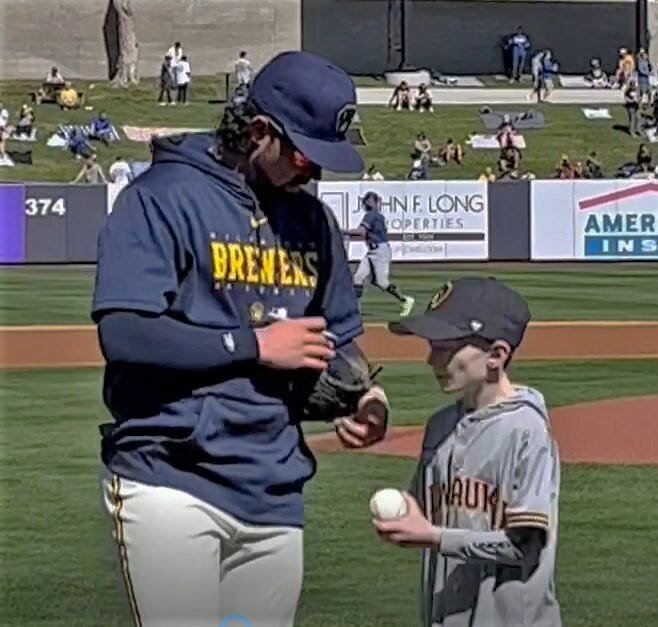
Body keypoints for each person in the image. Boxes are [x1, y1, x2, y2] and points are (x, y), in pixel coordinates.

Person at [92, 50, 390, 627]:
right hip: (171, 476)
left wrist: (366, 397)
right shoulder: (163, 198)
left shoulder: (312, 222)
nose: (315, 173)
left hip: (274, 487)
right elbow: (124, 332)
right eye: (305, 155)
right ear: (258, 132)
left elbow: (342, 339)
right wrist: (254, 346)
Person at [374, 276, 563, 627]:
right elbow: (424, 510)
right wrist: (403, 515)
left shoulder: (526, 429)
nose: (432, 359)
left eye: (446, 347)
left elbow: (526, 545)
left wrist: (436, 538)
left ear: (496, 355)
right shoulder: (440, 426)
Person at [343, 190, 415, 317]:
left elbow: (361, 232)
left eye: (369, 200)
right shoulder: (375, 215)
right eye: (366, 200)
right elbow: (364, 233)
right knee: (358, 278)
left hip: (379, 251)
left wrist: (344, 231)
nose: (367, 203)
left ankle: (405, 300)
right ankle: (356, 310)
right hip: (372, 251)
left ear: (375, 202)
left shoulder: (372, 215)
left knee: (382, 283)